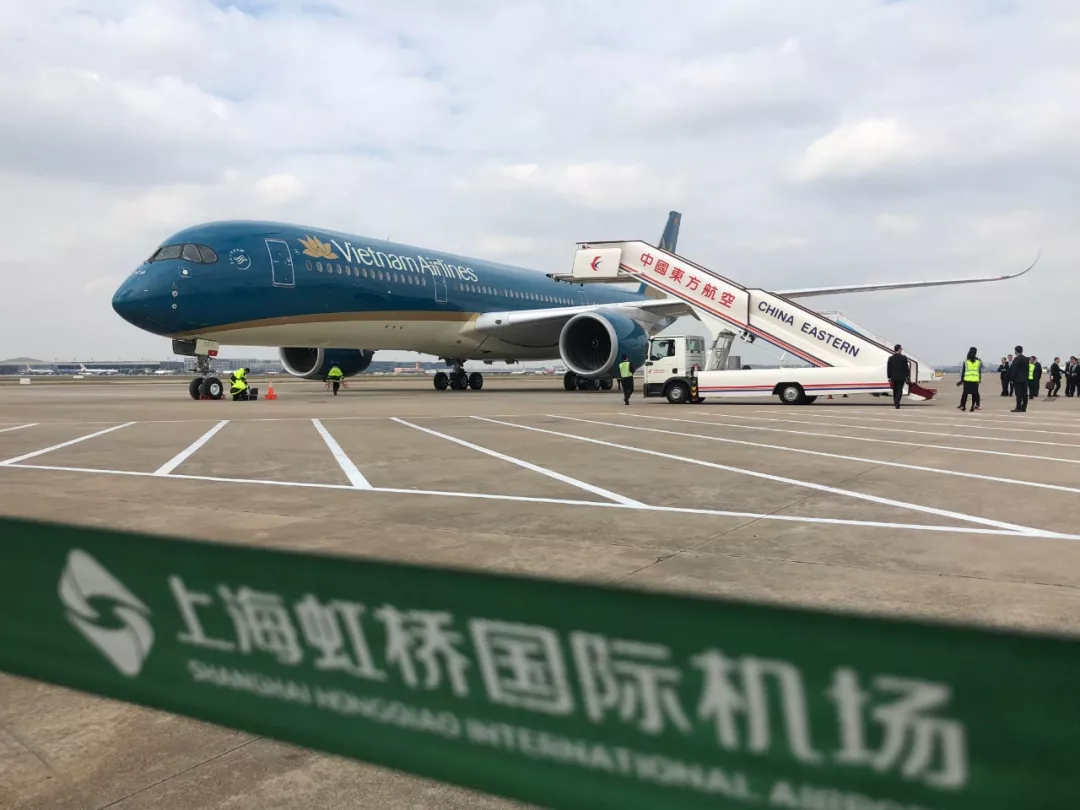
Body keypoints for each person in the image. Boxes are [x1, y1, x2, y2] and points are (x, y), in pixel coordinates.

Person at [958, 347, 982, 411]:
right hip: (975, 380)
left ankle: (963, 406)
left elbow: (963, 372)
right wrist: (979, 379)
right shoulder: (978, 361)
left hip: (967, 380)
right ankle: (972, 406)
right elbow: (979, 371)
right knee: (974, 394)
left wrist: (962, 380)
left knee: (965, 394)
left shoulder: (966, 362)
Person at [886, 344, 910, 409]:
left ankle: (895, 402)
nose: (901, 350)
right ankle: (897, 402)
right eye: (901, 349)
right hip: (901, 377)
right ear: (899, 349)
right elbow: (906, 368)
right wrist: (907, 376)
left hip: (893, 377)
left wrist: (889, 377)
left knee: (895, 390)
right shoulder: (903, 358)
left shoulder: (890, 358)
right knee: (899, 390)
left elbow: (889, 368)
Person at [1010, 346, 1029, 413]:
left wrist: (1012, 379)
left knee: (1018, 394)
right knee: (1025, 394)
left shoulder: (1016, 359)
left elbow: (1013, 370)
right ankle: (1024, 407)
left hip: (1018, 379)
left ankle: (1018, 407)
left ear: (1016, 351)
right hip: (1025, 379)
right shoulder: (1026, 359)